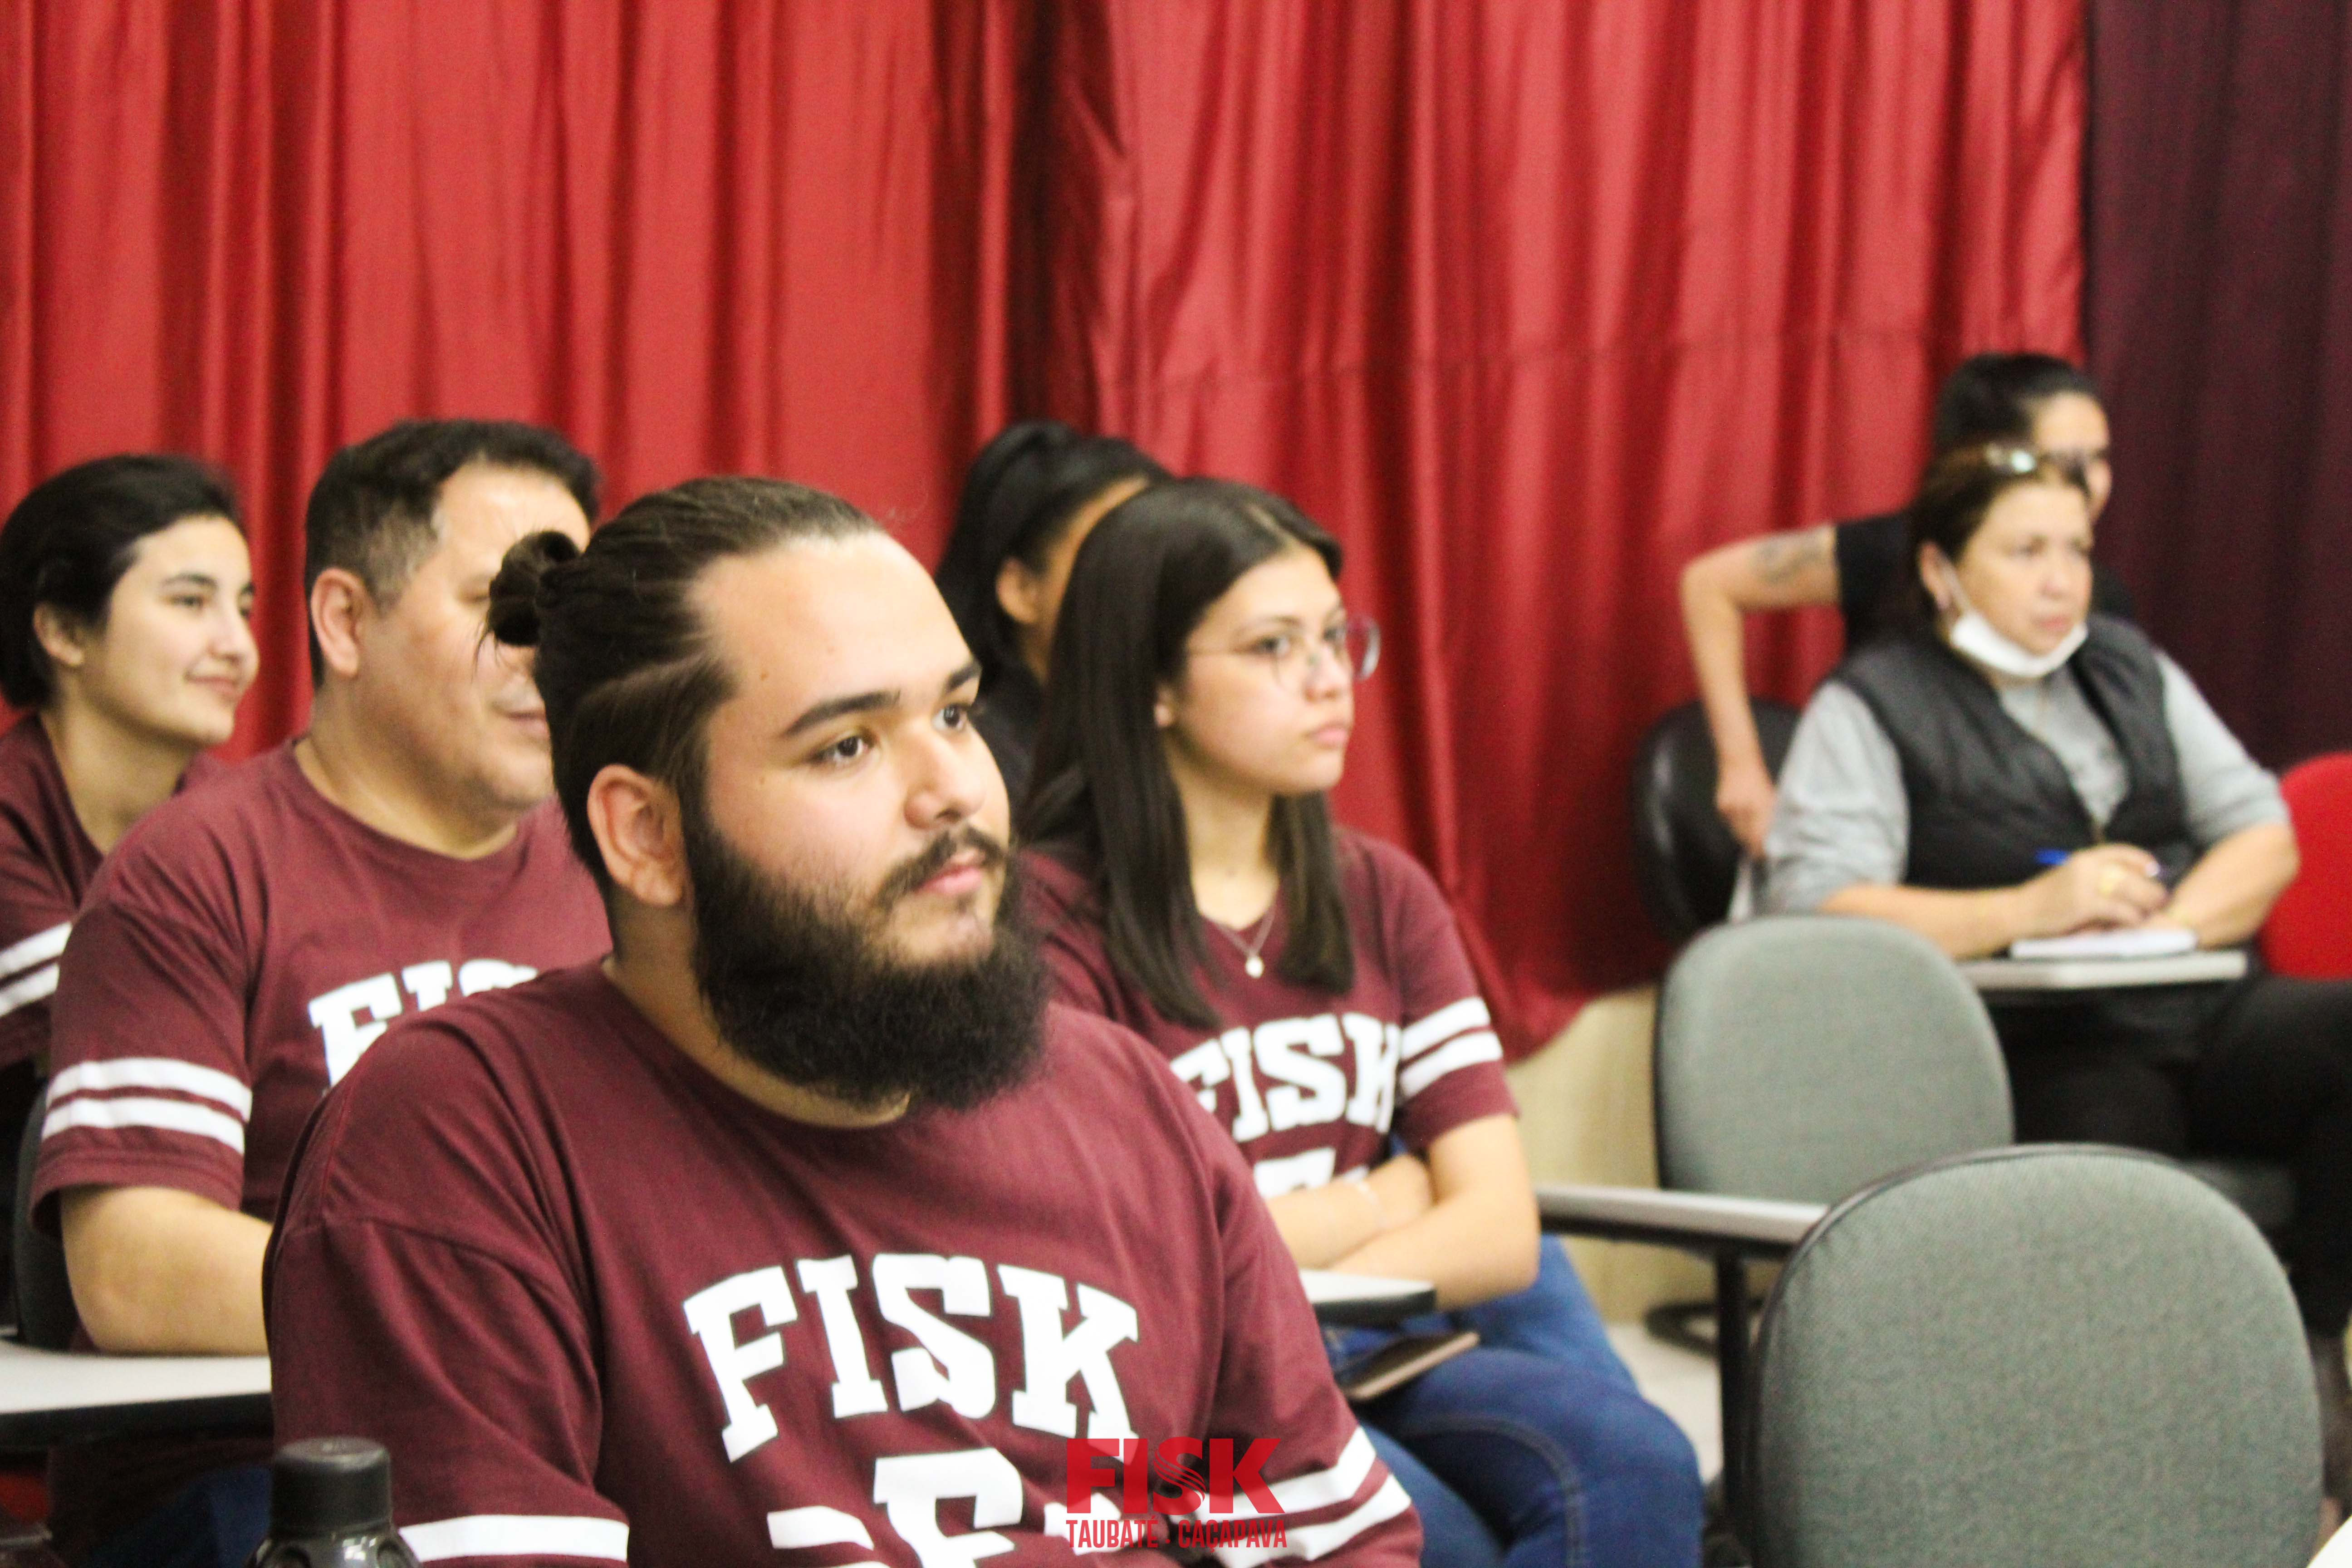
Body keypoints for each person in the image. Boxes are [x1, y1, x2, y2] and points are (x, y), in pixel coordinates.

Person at [263, 475, 1421, 1567]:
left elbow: (1297, 1526)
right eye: (848, 745)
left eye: (958, 713)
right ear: (646, 835)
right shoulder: (463, 1138)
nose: (956, 790)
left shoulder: (1125, 1105)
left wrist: (1116, 1504)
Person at [1020, 478, 1705, 1568]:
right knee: (1430, 1541)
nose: (1330, 676)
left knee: (1639, 1458)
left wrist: (1279, 1243)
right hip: (1137, 1436)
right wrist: (1375, 1192)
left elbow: (1496, 1230)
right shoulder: (1043, 918)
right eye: (1273, 646)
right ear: (1151, 682)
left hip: (1373, 1348)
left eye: (1337, 636)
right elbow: (1125, 1281)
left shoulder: (1381, 889)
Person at [27, 420, 612, 1568]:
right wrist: (495, 1321)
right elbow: (132, 1262)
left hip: (573, 1453)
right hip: (258, 1477)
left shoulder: (620, 862)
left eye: (569, 612)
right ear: (346, 619)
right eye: (505, 605)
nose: (545, 653)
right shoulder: (197, 868)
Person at [1762, 442, 2352, 1514]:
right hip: (2038, 1043)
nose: (2060, 580)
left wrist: (2166, 920)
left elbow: (2262, 832)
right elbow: (1818, 910)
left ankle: (2305, 1354)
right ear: (1940, 570)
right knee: (2119, 1172)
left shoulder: (2129, 664)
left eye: (2075, 550)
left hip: (2194, 1004)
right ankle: (2151, 1462)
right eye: (2024, 550)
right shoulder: (1872, 701)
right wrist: (2020, 913)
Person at [1680, 352, 2131, 856]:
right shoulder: (1889, 553)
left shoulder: (2100, 601)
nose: (2094, 485)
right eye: (2068, 464)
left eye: (2101, 459)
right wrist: (1742, 769)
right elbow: (1710, 585)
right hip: (1885, 840)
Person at [0, 456, 259, 1308]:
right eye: (191, 603)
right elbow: (85, 1058)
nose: (239, 647)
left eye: (245, 607)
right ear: (65, 634)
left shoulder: (241, 821)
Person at [933, 419, 1166, 805]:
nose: (1154, 588)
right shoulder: (977, 765)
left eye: (1167, 561)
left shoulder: (1183, 732)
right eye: (1120, 559)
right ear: (1023, 591)